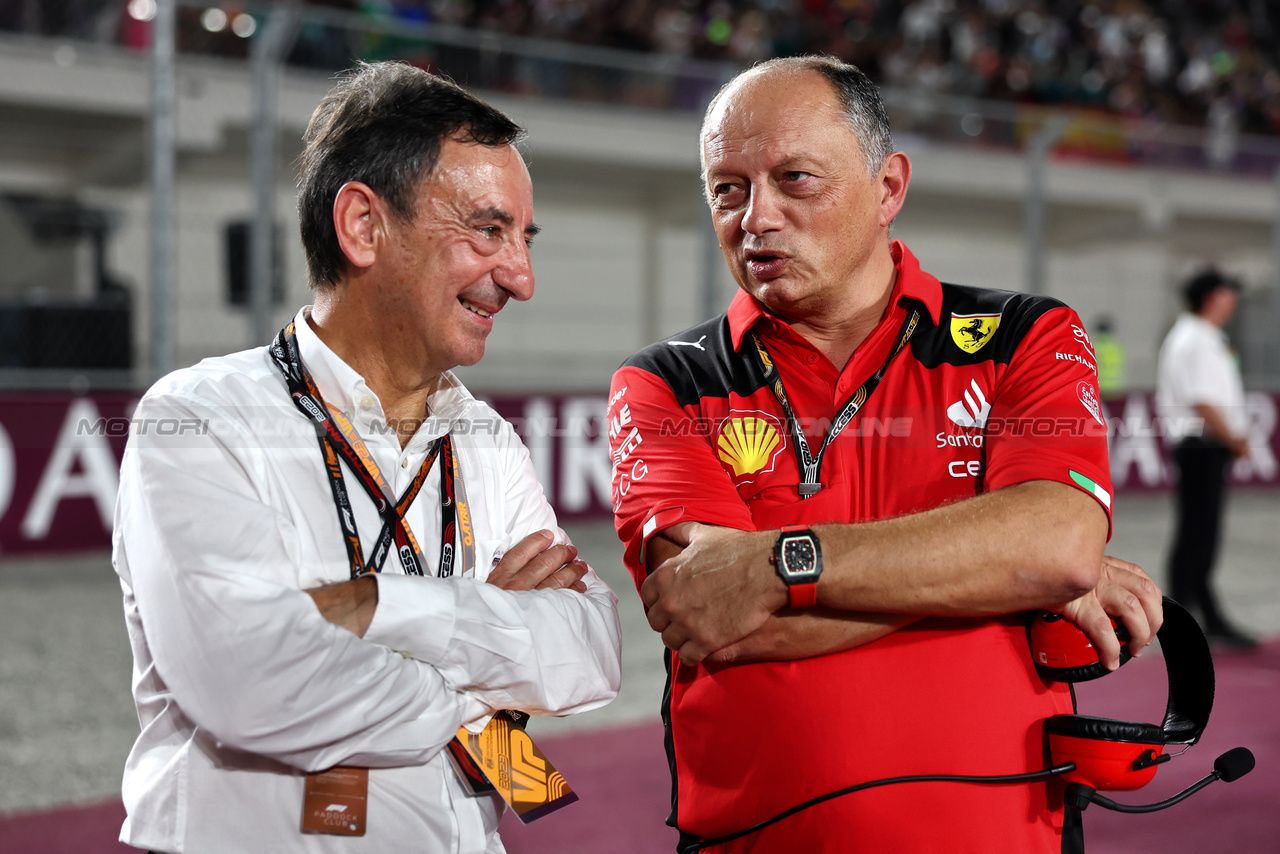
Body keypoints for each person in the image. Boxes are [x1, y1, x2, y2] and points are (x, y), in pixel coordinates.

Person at [608, 56, 1162, 853]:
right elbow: (714, 616)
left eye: (795, 179)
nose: (756, 218)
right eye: (727, 190)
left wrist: (777, 565)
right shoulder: (665, 382)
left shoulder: (1026, 336)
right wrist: (1007, 577)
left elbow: (1057, 542)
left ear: (888, 188)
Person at [113, 62, 622, 854]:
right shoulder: (201, 421)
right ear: (363, 226)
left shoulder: (484, 438)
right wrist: (477, 662)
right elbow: (253, 684)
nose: (521, 277)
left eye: (523, 239)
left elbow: (591, 651)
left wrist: (379, 607)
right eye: (489, 231)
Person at [1156, 269, 1255, 647]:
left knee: (1202, 532)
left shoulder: (1206, 338)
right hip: (1201, 445)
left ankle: (1201, 611)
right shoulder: (1193, 340)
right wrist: (1233, 438)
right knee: (1197, 532)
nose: (1233, 300)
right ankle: (1186, 616)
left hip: (1208, 445)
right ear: (1213, 297)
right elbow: (1202, 399)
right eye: (1228, 293)